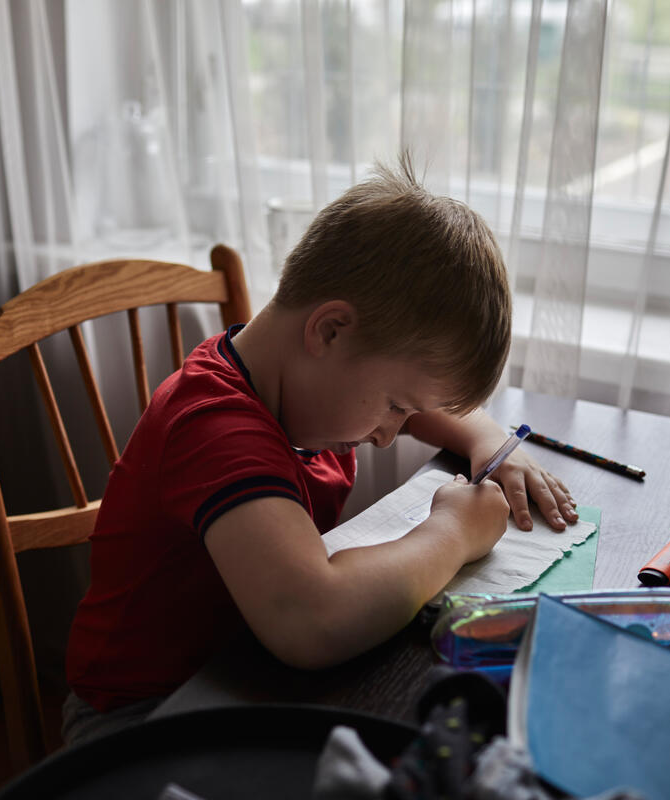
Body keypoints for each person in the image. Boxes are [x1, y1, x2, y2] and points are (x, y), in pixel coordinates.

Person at [62, 156, 577, 746]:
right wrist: (453, 532)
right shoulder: (214, 427)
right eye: (393, 406)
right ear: (329, 331)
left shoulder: (308, 386)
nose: (390, 433)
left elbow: (426, 401)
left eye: (404, 413)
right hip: (143, 716)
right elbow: (314, 619)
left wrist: (490, 442)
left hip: (248, 676)